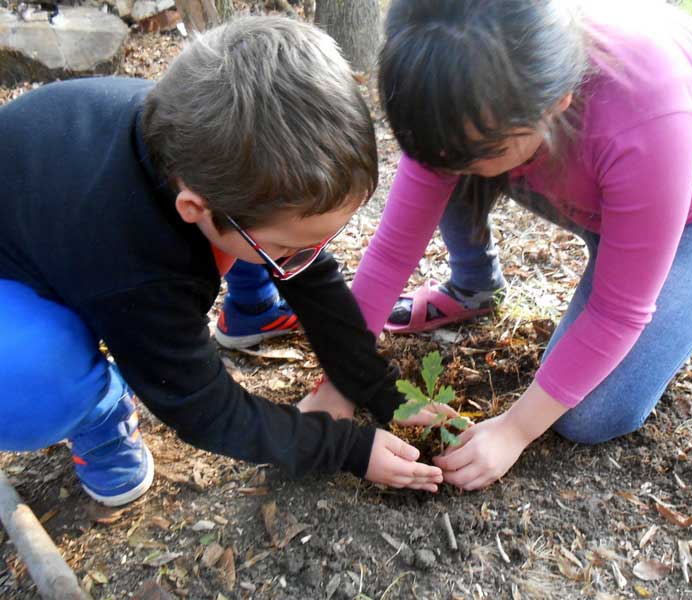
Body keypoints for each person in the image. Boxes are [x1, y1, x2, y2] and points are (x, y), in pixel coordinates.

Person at [300, 0, 692, 490]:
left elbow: (619, 312)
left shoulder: (646, 111)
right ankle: (474, 287)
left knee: (591, 414)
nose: (443, 167)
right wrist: (340, 381)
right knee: (458, 164)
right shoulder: (452, 85)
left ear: (558, 101)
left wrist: (514, 430)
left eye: (469, 154)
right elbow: (393, 251)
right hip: (567, 167)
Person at [0, 16, 445, 507]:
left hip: (70, 201)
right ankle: (98, 412)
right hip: (20, 277)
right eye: (290, 248)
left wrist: (382, 392)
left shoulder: (213, 146)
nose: (308, 258)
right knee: (29, 379)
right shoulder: (142, 272)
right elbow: (201, 408)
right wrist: (346, 448)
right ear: (194, 208)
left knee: (257, 240)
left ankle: (250, 308)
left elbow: (308, 272)